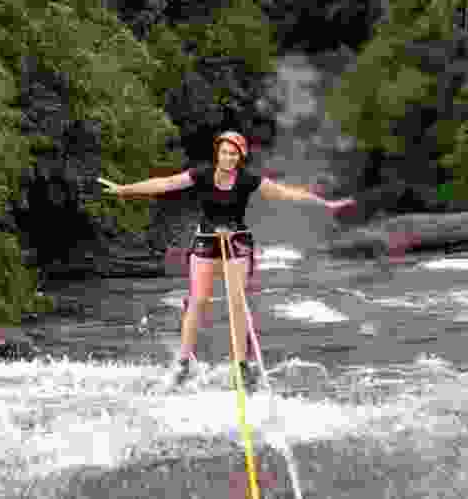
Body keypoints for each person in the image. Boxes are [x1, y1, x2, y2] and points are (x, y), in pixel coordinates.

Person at [106, 131, 356, 392]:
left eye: (233, 153)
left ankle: (241, 365)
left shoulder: (248, 180)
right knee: (198, 300)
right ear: (218, 154)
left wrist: (325, 204)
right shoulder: (201, 175)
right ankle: (183, 363)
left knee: (237, 303)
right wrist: (126, 190)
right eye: (224, 152)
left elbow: (286, 193)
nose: (228, 157)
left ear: (240, 157)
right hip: (206, 241)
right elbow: (165, 184)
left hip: (236, 242)